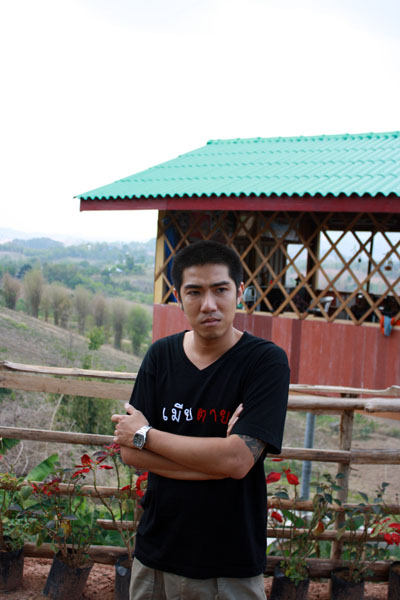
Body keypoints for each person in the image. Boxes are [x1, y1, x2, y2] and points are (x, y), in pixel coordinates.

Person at [112, 240, 290, 600]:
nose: (208, 304)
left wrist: (147, 434)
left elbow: (237, 460)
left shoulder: (265, 362)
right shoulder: (160, 356)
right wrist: (218, 462)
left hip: (230, 563)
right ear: (179, 296)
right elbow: (130, 453)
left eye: (220, 289)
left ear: (239, 291)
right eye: (194, 292)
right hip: (156, 555)